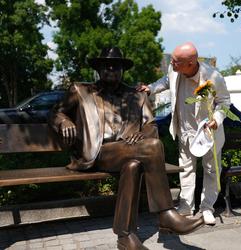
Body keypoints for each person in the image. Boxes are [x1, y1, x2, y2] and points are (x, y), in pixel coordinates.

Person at [49, 47, 204, 250]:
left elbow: (151, 126)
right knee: (153, 147)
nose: (111, 69)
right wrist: (63, 122)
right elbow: (55, 113)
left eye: (116, 66)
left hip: (128, 151)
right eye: (106, 66)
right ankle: (165, 214)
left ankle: (125, 236)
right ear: (98, 69)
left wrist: (144, 134)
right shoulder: (81, 90)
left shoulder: (137, 96)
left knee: (133, 165)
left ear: (123, 70)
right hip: (97, 153)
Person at [137, 42, 231, 225]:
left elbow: (225, 103)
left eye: (175, 61)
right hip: (184, 131)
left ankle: (207, 208)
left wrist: (217, 119)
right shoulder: (175, 71)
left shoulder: (213, 77)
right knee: (186, 169)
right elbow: (165, 81)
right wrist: (150, 88)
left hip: (208, 133)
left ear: (190, 63)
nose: (171, 63)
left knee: (211, 171)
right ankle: (186, 206)